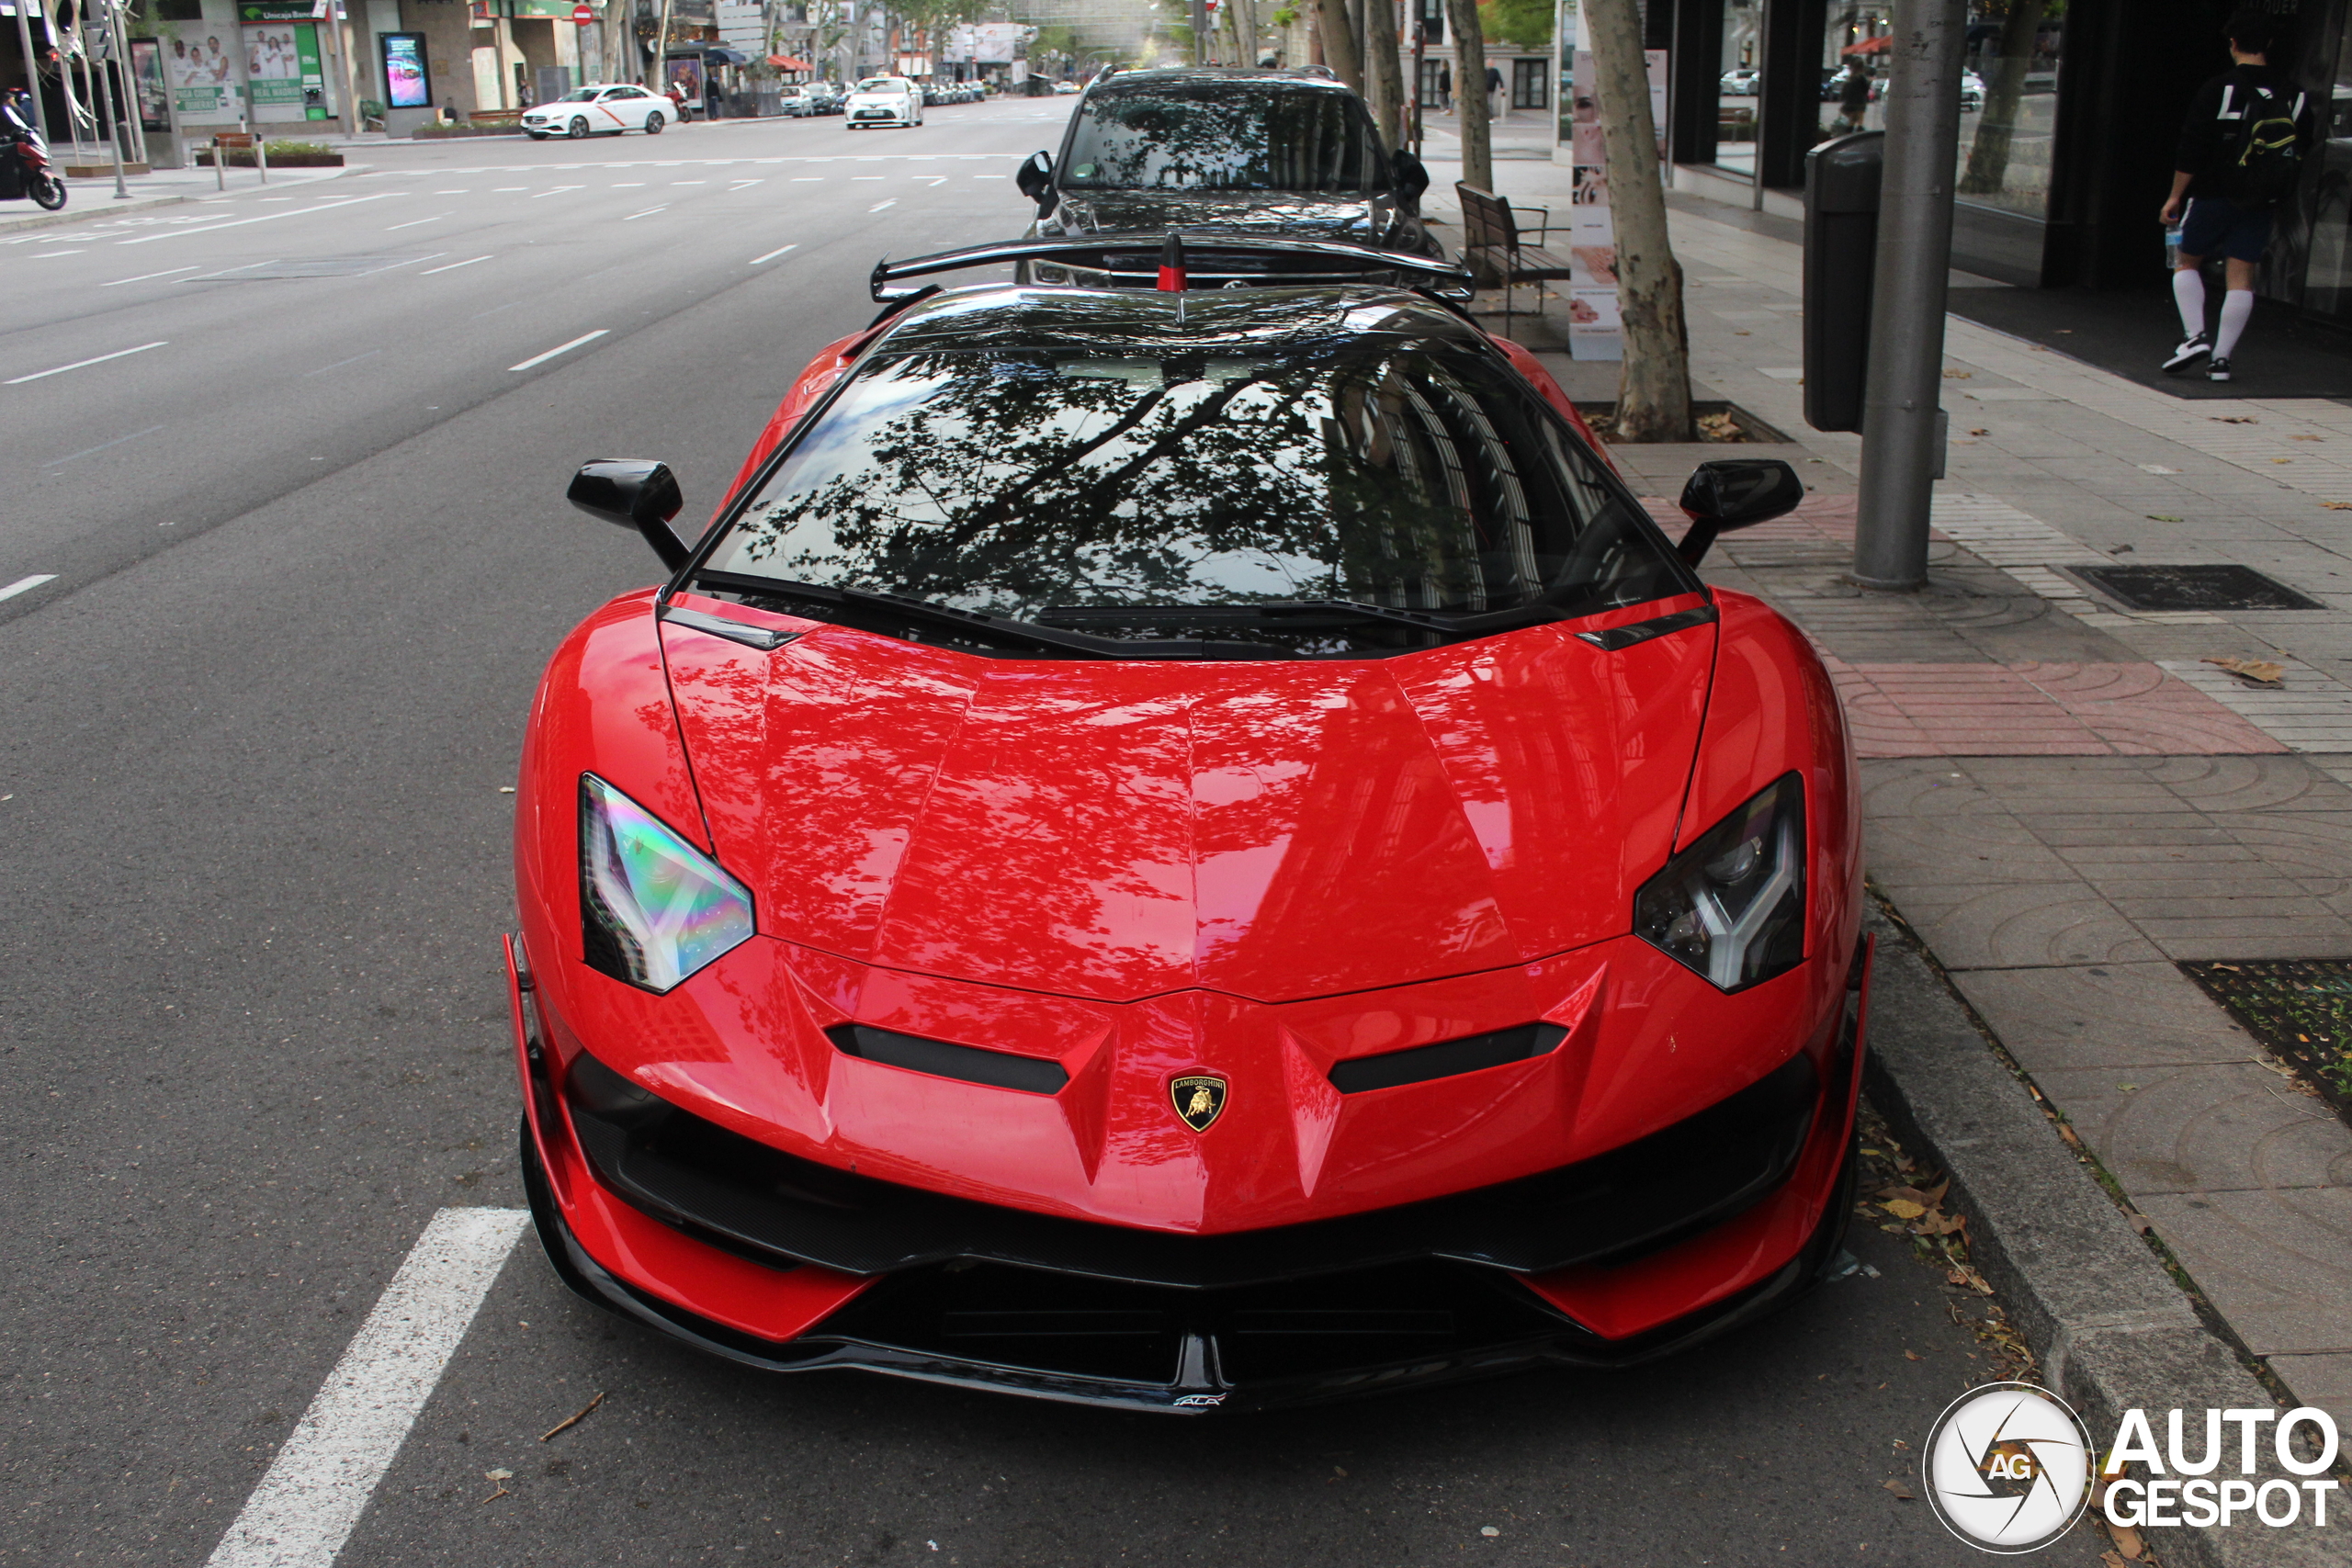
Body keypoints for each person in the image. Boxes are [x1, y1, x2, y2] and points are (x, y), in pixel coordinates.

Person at [2161, 9, 2312, 383]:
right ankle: (2222, 361)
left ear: (2233, 43)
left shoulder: (2218, 88)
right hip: (2263, 199)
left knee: (2186, 260)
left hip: (2214, 192)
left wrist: (2175, 196)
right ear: (2270, 45)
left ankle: (2194, 337)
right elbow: (2302, 147)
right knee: (2241, 275)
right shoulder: (2294, 94)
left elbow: (2191, 148)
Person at [1838, 60, 1871, 134]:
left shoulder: (1850, 77)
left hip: (1850, 102)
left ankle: (1848, 134)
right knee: (1859, 120)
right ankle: (1858, 135)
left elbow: (1845, 90)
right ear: (1861, 67)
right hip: (1859, 101)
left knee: (1852, 120)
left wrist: (1843, 98)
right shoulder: (1861, 77)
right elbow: (1866, 89)